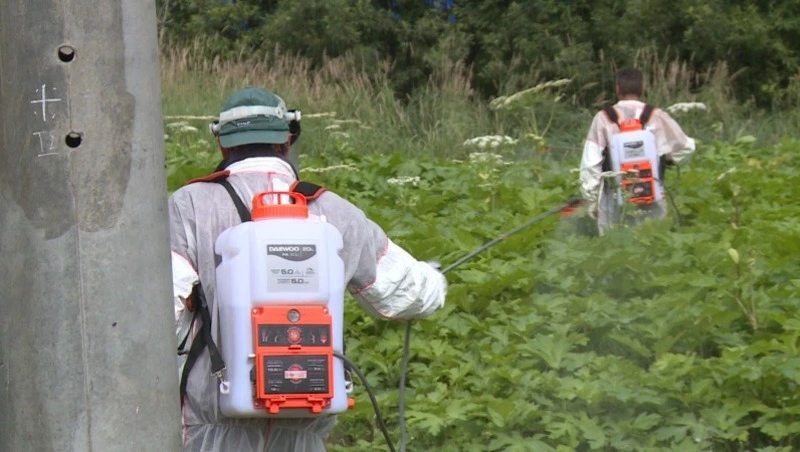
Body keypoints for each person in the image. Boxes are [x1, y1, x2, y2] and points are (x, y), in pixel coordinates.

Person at [168, 87, 447, 451]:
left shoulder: (190, 205)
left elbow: (165, 313)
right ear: (287, 138)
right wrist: (435, 277)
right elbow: (409, 294)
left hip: (213, 430)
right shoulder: (333, 209)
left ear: (222, 144)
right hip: (302, 431)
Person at [579, 67, 696, 235]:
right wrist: (667, 159)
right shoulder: (656, 115)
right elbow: (686, 147)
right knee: (653, 240)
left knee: (615, 244)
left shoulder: (603, 118)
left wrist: (591, 199)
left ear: (617, 89)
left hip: (613, 197)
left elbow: (590, 163)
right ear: (642, 89)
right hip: (652, 192)